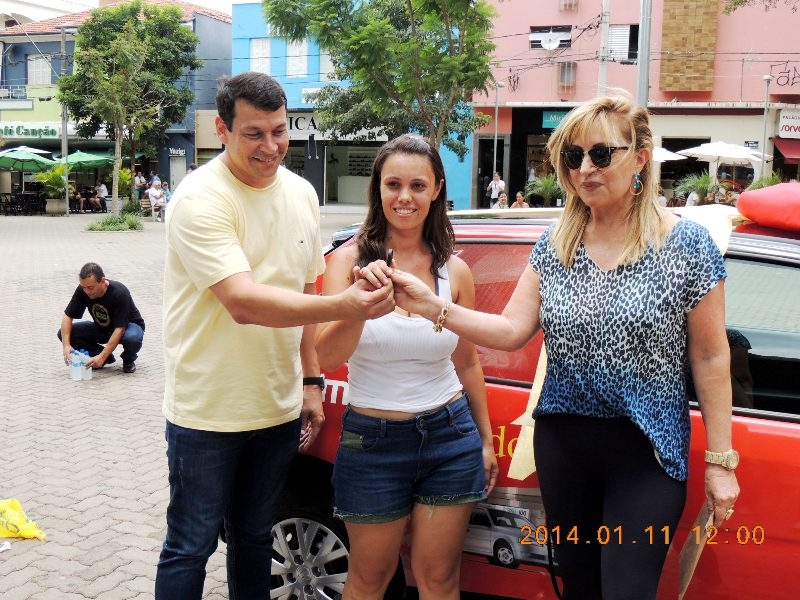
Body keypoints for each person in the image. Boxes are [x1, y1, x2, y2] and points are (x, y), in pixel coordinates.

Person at [389, 94, 739, 599]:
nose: (585, 169)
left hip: (648, 453)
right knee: (579, 587)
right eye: (573, 158)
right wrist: (431, 307)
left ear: (640, 156)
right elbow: (510, 329)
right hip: (565, 446)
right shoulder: (556, 245)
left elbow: (711, 356)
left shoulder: (686, 246)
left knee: (627, 590)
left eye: (601, 154)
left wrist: (721, 460)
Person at [156, 71, 395, 600]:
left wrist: (311, 380)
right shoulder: (201, 199)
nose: (271, 147)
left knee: (253, 537)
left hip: (276, 406)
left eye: (280, 131)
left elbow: (302, 292)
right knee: (190, 544)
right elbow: (242, 302)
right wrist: (345, 304)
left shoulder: (302, 195)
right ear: (222, 128)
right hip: (207, 410)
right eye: (254, 134)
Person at [315, 134, 498, 600]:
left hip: (449, 439)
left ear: (436, 189)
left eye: (417, 185)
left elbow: (468, 362)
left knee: (437, 579)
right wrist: (360, 306)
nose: (404, 197)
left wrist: (485, 439)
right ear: (377, 188)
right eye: (393, 184)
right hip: (372, 442)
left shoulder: (453, 272)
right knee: (369, 580)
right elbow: (325, 356)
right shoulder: (347, 261)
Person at [57, 262, 144, 374]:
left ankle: (128, 359)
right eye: (84, 287)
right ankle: (104, 357)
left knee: (132, 338)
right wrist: (66, 345)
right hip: (102, 327)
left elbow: (119, 329)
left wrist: (102, 356)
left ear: (102, 281)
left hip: (127, 327)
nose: (87, 291)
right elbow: (68, 316)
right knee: (64, 334)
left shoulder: (119, 293)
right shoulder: (83, 290)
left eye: (90, 287)